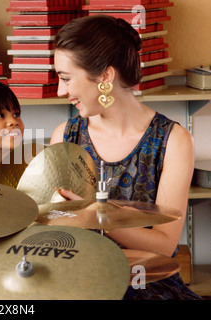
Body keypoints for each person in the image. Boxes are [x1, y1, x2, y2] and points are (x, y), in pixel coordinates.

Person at [50, 15, 201, 299]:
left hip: (146, 287)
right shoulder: (64, 136)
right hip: (80, 284)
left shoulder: (174, 140)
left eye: (66, 79)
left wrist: (97, 216)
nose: (61, 91)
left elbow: (164, 247)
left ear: (105, 76)